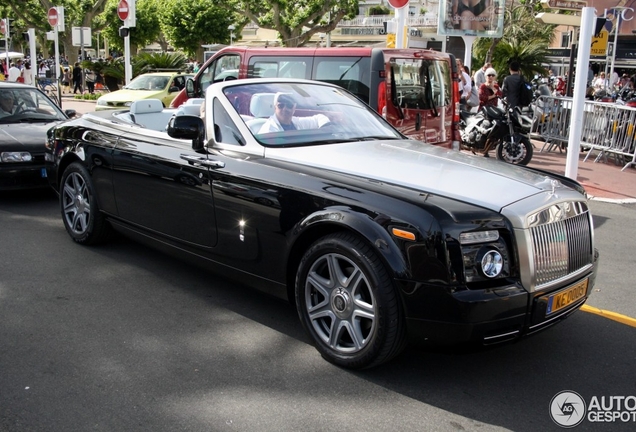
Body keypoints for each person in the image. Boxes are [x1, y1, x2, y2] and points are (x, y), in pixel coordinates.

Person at [258, 93, 330, 133]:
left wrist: (325, 129)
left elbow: (319, 118)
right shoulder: (269, 130)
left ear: (294, 108)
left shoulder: (296, 122)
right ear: (275, 108)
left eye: (289, 105)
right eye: (281, 106)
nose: (285, 109)